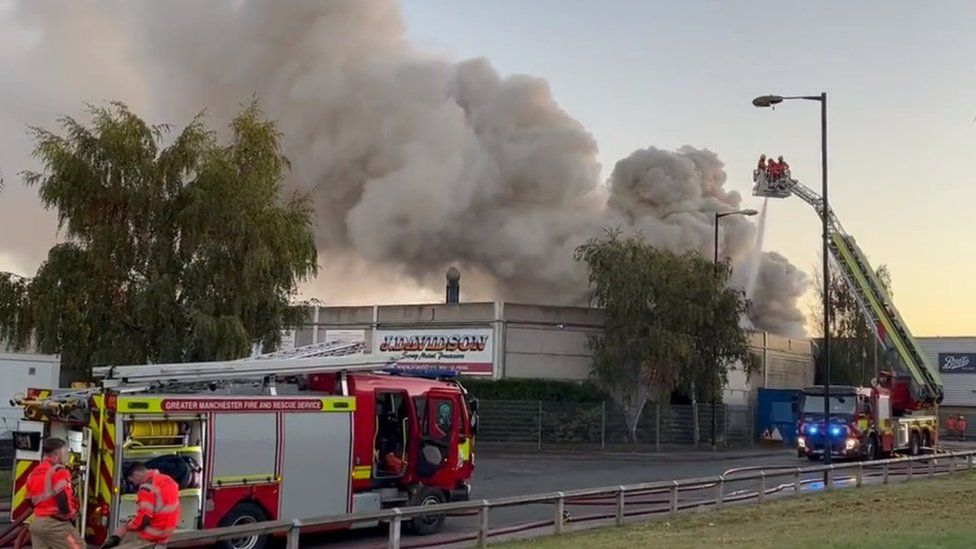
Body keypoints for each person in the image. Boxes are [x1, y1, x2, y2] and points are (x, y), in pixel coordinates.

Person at [102, 463, 180, 548]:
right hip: (167, 532)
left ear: (136, 474)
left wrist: (128, 525)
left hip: (153, 533)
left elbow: (144, 519)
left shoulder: (147, 488)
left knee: (122, 533)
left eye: (132, 481)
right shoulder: (167, 480)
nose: (134, 484)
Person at [27, 437, 83, 549]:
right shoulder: (59, 471)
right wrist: (69, 515)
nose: (67, 455)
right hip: (56, 524)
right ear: (57, 452)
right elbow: (62, 497)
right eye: (65, 451)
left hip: (38, 523)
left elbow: (30, 501)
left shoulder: (32, 473)